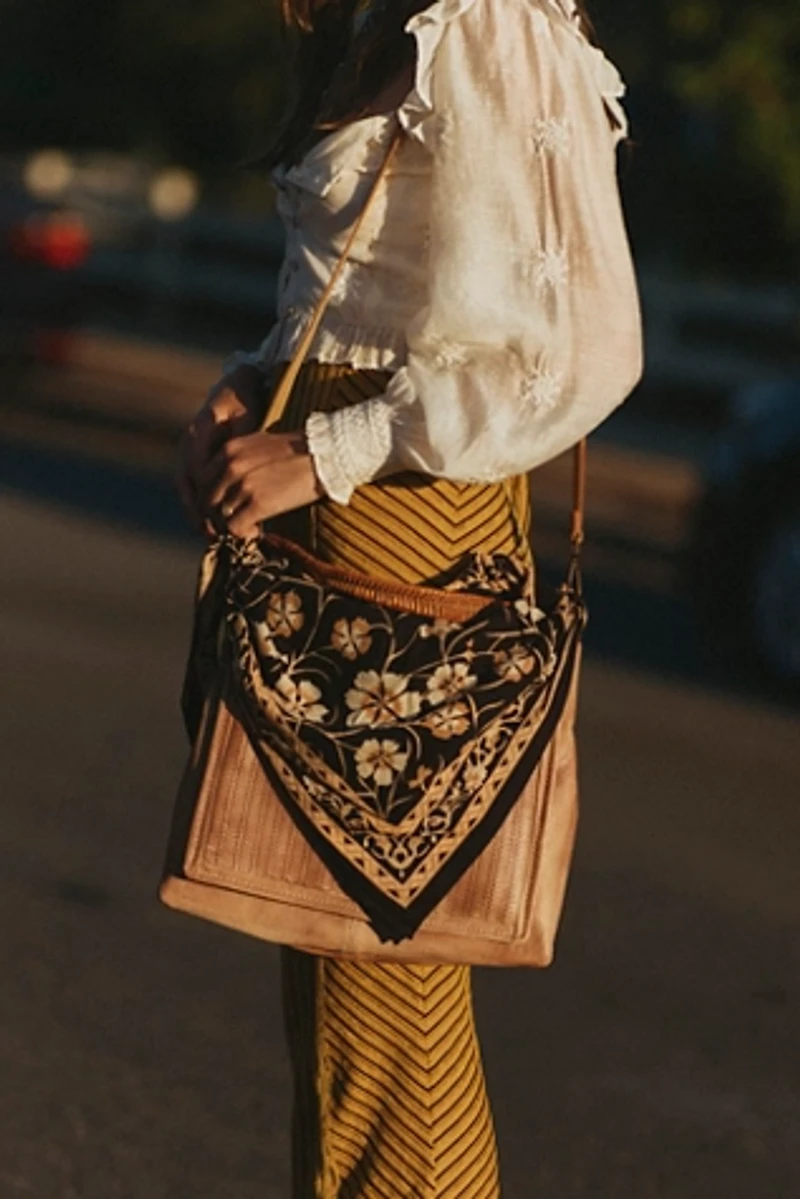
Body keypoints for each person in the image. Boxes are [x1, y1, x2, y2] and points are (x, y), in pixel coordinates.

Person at [176, 0, 642, 1193]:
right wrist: (253, 385)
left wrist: (325, 448)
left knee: (388, 1007)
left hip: (412, 522)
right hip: (339, 501)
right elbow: (388, 299)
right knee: (336, 996)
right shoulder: (392, 17)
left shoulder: (493, 23)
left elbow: (580, 351)